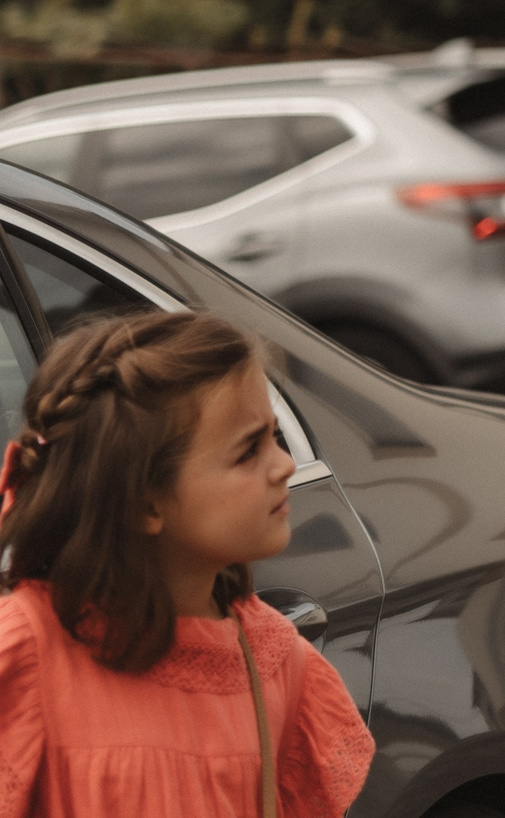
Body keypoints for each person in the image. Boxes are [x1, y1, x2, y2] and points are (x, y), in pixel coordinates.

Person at [0, 310, 374, 817]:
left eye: (276, 437)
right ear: (145, 502)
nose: (285, 464)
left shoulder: (273, 662)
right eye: (249, 451)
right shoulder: (25, 654)